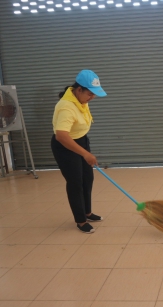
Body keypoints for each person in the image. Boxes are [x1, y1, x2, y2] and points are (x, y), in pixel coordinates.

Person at [51, 70, 107, 233]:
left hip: (81, 140)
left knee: (87, 178)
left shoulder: (80, 99)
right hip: (65, 146)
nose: (92, 98)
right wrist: (85, 154)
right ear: (79, 89)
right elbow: (61, 136)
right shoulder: (66, 107)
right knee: (75, 182)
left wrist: (85, 150)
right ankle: (81, 221)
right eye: (90, 94)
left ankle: (87, 212)